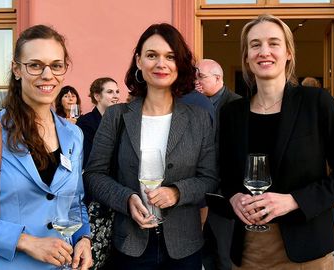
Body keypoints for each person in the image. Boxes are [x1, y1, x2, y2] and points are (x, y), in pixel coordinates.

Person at [0, 25, 92, 269]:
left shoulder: (73, 134)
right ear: (16, 69)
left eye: (56, 65)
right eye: (35, 65)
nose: (47, 75)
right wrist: (25, 241)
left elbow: (74, 203)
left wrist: (83, 237)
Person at [219, 14, 334, 269]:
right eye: (255, 45)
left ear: (288, 54)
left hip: (308, 251)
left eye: (274, 43)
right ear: (247, 57)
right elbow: (225, 177)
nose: (264, 52)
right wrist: (233, 198)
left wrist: (293, 200)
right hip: (249, 251)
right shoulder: (232, 113)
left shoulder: (316, 103)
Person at [84, 23, 218, 269]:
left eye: (170, 56)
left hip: (184, 246)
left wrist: (177, 192)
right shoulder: (117, 116)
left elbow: (209, 177)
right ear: (138, 61)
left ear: (180, 64)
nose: (161, 64)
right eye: (152, 55)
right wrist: (126, 198)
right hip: (130, 245)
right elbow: (94, 175)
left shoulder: (197, 118)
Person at [195, 59, 241, 270]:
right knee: (206, 251)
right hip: (199, 189)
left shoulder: (237, 105)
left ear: (218, 78)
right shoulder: (193, 103)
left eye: (201, 77)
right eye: (195, 76)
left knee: (225, 254)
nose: (196, 81)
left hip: (225, 192)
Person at [76, 77, 120, 168]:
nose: (116, 96)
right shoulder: (85, 122)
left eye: (117, 91)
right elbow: (88, 158)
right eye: (110, 92)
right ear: (97, 96)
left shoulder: (121, 120)